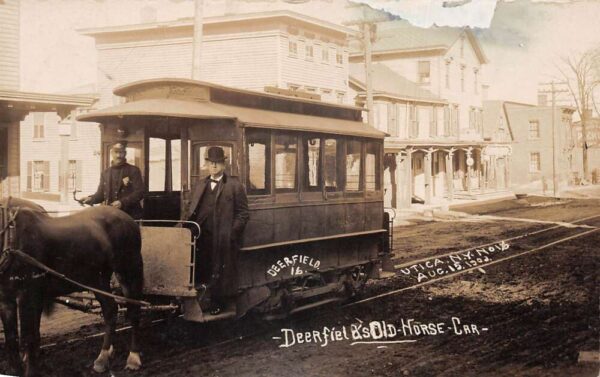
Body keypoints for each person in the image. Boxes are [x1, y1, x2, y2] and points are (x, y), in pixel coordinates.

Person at [185, 146, 249, 315]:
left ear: (223, 165)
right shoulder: (200, 185)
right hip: (202, 235)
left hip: (223, 237)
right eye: (210, 163)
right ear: (206, 164)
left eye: (217, 163)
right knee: (202, 267)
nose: (213, 166)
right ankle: (199, 300)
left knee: (220, 270)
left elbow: (243, 214)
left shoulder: (234, 186)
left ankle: (218, 302)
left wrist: (231, 233)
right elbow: (191, 209)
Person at [83, 142, 144, 220]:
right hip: (111, 216)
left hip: (130, 216)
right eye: (116, 152)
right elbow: (100, 195)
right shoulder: (105, 173)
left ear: (125, 153)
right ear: (112, 153)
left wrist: (122, 203)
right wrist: (90, 199)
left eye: (121, 152)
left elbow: (140, 192)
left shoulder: (133, 170)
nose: (118, 155)